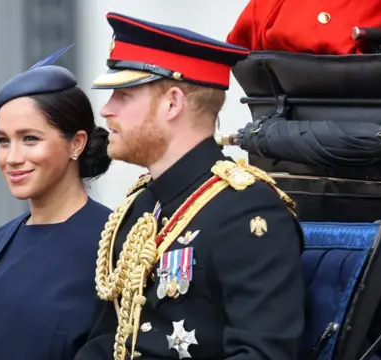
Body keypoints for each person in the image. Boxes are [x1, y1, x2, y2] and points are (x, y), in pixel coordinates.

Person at [74, 13, 306, 360]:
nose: (106, 111)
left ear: (172, 103)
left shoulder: (247, 211)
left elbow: (261, 353)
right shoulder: (141, 206)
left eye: (123, 95)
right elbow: (105, 343)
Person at [0, 45, 113, 360]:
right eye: (3, 141)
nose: (12, 158)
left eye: (30, 139)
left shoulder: (111, 243)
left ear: (77, 144)